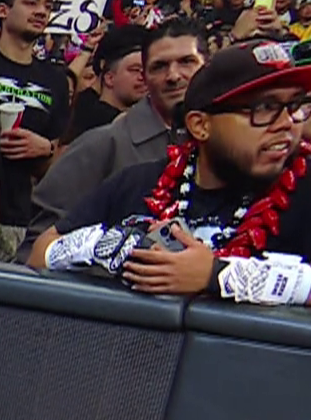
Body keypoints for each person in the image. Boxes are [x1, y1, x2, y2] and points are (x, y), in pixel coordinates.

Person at [32, 42, 311, 312]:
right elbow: (42, 251)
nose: (286, 123)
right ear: (201, 125)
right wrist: (112, 248)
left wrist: (217, 275)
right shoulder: (138, 181)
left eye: (295, 105)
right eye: (265, 108)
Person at [20, 19, 208, 259]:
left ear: (208, 68)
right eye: (159, 66)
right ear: (145, 77)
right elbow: (39, 249)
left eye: (187, 62)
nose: (173, 76)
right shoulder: (101, 146)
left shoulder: (230, 151)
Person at [0, 0, 71, 262]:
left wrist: (46, 149)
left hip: (18, 218)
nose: (41, 11)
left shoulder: (56, 80)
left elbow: (60, 160)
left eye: (48, 6)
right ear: (3, 11)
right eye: (31, 2)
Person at [67, 26, 151, 141]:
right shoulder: (95, 119)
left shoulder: (85, 101)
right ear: (109, 77)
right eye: (135, 70)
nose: (143, 77)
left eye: (148, 70)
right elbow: (65, 82)